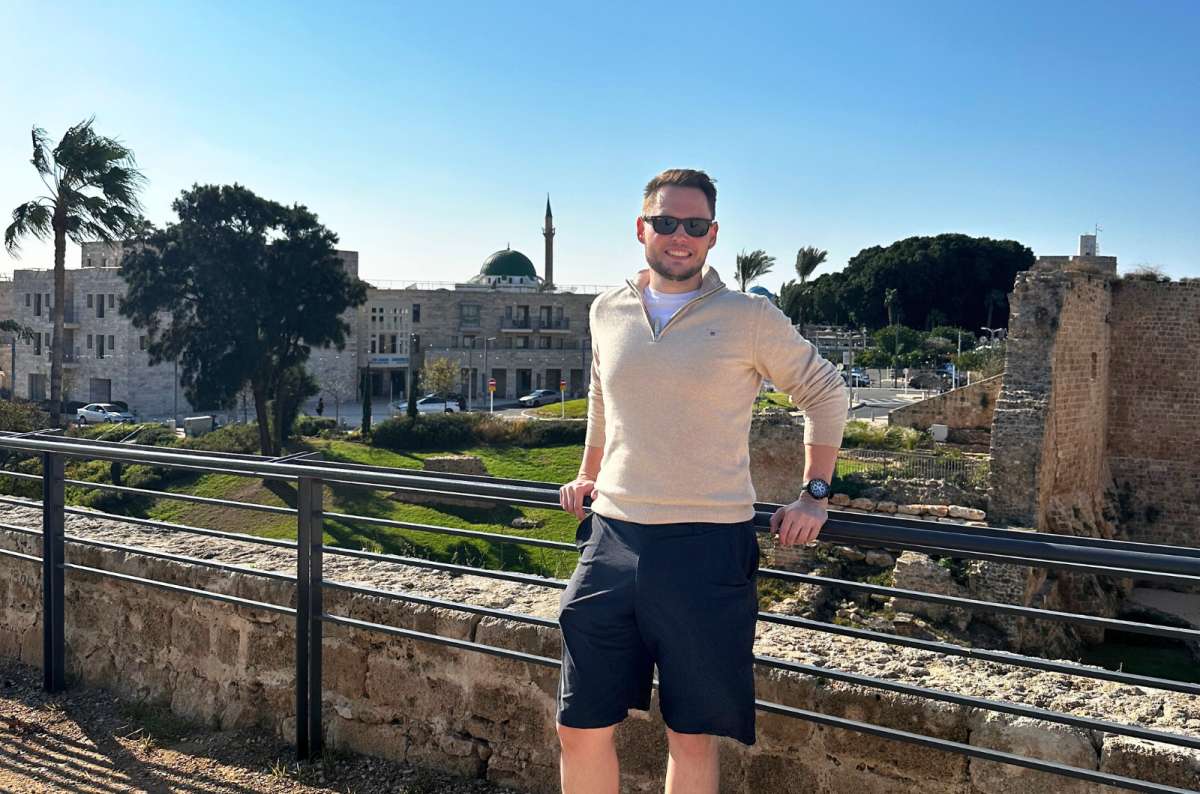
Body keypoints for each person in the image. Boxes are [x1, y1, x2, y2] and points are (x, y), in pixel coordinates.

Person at [556, 169, 847, 794]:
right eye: (665, 222)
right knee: (578, 725)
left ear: (712, 235)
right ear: (642, 229)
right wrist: (587, 472)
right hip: (611, 540)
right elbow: (601, 400)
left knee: (690, 736)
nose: (678, 236)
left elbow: (826, 393)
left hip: (708, 545)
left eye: (694, 225)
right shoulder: (606, 310)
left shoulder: (749, 316)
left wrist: (814, 492)